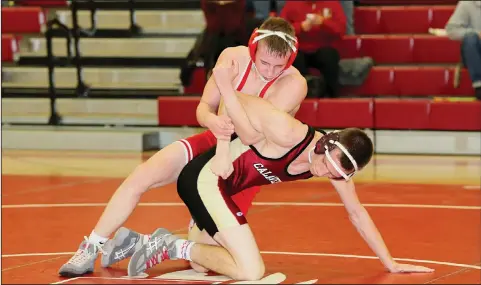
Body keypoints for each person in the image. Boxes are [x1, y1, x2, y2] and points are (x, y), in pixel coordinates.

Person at [105, 60, 435, 280]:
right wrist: (222, 144)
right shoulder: (289, 131)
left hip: (221, 188)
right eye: (326, 162)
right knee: (250, 270)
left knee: (204, 261)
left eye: (335, 174)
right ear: (325, 143)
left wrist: (389, 262)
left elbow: (357, 213)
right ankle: (165, 247)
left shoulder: (334, 165)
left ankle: (155, 243)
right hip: (207, 178)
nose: (323, 171)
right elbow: (236, 99)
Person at [58, 17, 308, 277]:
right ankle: (91, 246)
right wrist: (213, 120)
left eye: (278, 66)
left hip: (244, 163)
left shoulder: (293, 84)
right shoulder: (234, 58)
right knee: (142, 176)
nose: (269, 71)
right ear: (253, 48)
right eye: (264, 62)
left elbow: (250, 137)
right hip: (214, 140)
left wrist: (228, 92)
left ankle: (159, 244)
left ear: (290, 60)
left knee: (202, 262)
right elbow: (203, 108)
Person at [445, 1, 481, 100]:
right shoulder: (467, 4)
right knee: (470, 38)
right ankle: (479, 86)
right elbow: (451, 30)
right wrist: (477, 34)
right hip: (475, 52)